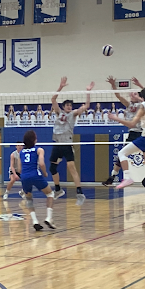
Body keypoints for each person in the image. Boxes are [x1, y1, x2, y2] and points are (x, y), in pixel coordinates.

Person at [50, 77, 95, 205]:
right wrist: (60, 87)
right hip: (57, 143)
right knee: (52, 167)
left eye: (71, 105)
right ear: (63, 107)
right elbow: (53, 99)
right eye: (67, 105)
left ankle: (80, 193)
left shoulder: (73, 114)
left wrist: (88, 92)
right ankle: (58, 189)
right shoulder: (59, 112)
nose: (70, 107)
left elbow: (86, 106)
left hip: (67, 144)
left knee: (72, 169)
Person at [102, 76, 143, 186]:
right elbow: (118, 95)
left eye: (134, 94)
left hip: (143, 133)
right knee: (121, 155)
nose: (132, 95)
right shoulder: (129, 105)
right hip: (133, 133)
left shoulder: (142, 105)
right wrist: (113, 85)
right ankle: (112, 177)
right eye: (131, 94)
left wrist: (139, 87)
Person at [17, 130, 56, 231]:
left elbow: (19, 169)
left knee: (29, 199)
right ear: (34, 140)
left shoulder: (21, 152)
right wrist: (45, 173)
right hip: (35, 175)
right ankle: (49, 218)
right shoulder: (39, 150)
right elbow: (42, 164)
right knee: (50, 194)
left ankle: (35, 221)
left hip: (24, 177)